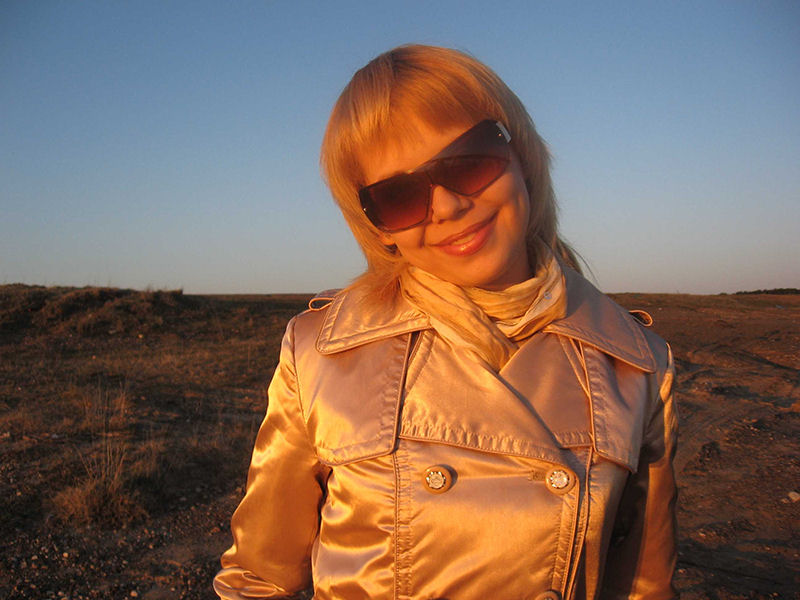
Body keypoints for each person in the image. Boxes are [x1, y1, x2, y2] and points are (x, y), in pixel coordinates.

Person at [214, 44, 678, 600]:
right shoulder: (320, 354)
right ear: (377, 226)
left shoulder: (636, 362)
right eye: (399, 196)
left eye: (468, 162)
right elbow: (258, 578)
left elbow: (645, 586)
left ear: (522, 156)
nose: (447, 207)